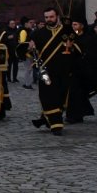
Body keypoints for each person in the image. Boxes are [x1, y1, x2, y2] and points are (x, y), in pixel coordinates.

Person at [30, 7, 78, 135]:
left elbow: (79, 50)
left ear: (57, 16)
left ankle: (46, 119)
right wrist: (31, 48)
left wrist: (71, 47)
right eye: (46, 17)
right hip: (45, 71)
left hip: (63, 71)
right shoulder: (38, 33)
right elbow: (32, 52)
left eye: (51, 17)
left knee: (60, 96)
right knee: (47, 95)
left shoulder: (67, 31)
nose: (48, 19)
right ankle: (56, 125)